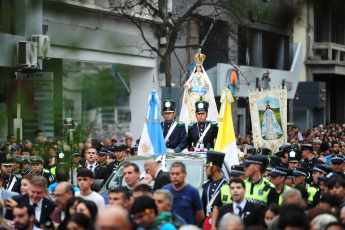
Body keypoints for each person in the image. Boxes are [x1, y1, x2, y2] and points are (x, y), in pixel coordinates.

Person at [180, 53, 218, 126]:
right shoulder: (193, 76)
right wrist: (188, 85)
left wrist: (207, 86)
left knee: (202, 109)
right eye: (197, 68)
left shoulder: (204, 77)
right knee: (193, 110)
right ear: (195, 68)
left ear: (201, 69)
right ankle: (193, 123)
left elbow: (208, 85)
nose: (198, 69)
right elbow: (190, 83)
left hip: (202, 96)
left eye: (199, 68)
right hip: (193, 96)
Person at [202, 151, 227, 229]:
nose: (206, 170)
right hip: (207, 222)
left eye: (207, 167)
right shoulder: (207, 186)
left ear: (214, 168)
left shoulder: (226, 185)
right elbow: (203, 207)